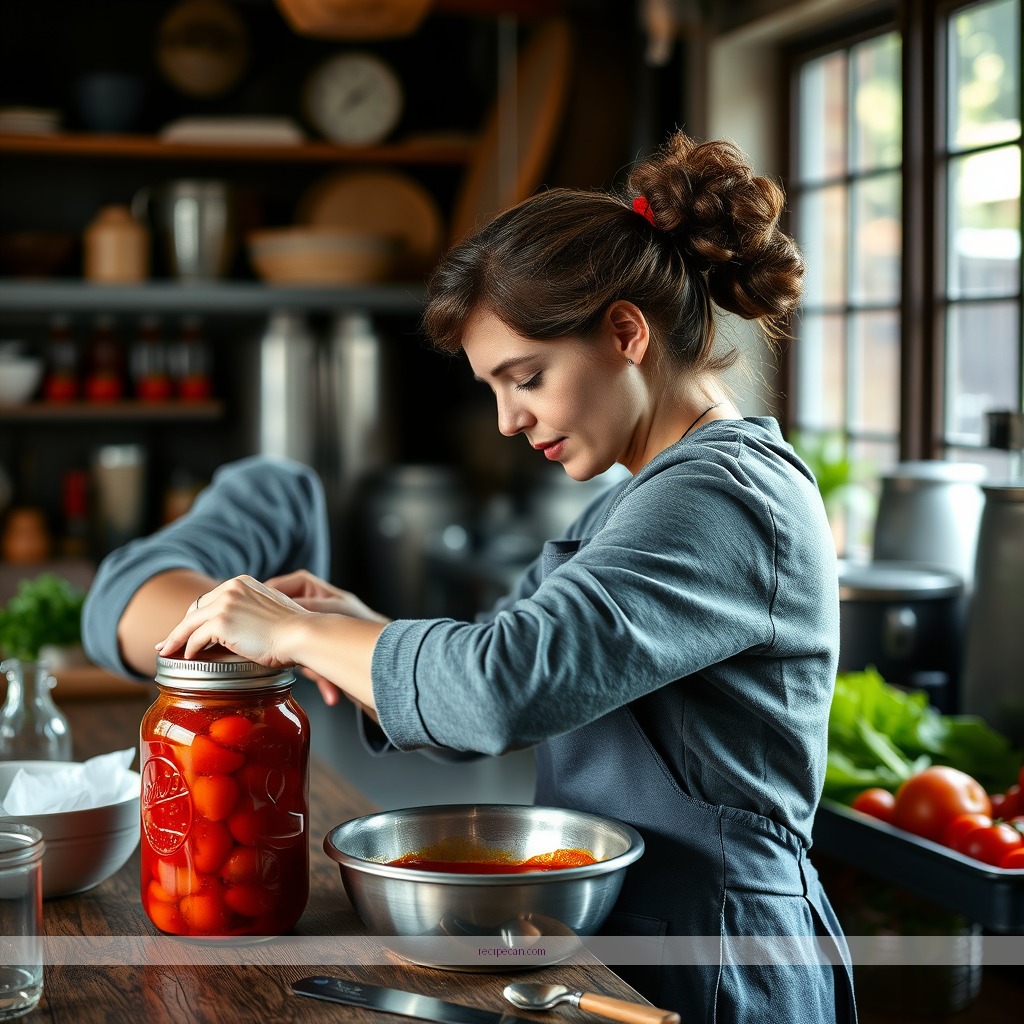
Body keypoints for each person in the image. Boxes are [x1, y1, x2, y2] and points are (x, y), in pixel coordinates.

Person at [81, 131, 856, 1022]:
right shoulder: (641, 499)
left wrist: (295, 633)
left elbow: (497, 689)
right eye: (493, 387)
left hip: (718, 958)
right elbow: (487, 680)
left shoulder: (722, 498)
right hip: (632, 939)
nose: (506, 419)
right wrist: (348, 621)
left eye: (525, 378)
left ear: (626, 331)